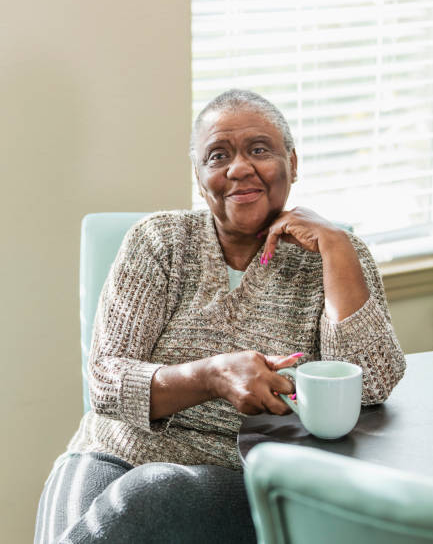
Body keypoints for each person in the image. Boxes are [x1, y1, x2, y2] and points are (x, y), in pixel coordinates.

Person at [34, 89, 406, 543]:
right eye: (218, 155)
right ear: (199, 176)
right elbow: (107, 383)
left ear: (292, 161)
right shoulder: (159, 242)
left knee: (146, 495)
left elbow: (373, 384)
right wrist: (212, 375)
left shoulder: (335, 257)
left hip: (241, 474)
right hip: (113, 450)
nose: (239, 168)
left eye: (259, 149)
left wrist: (336, 247)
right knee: (70, 523)